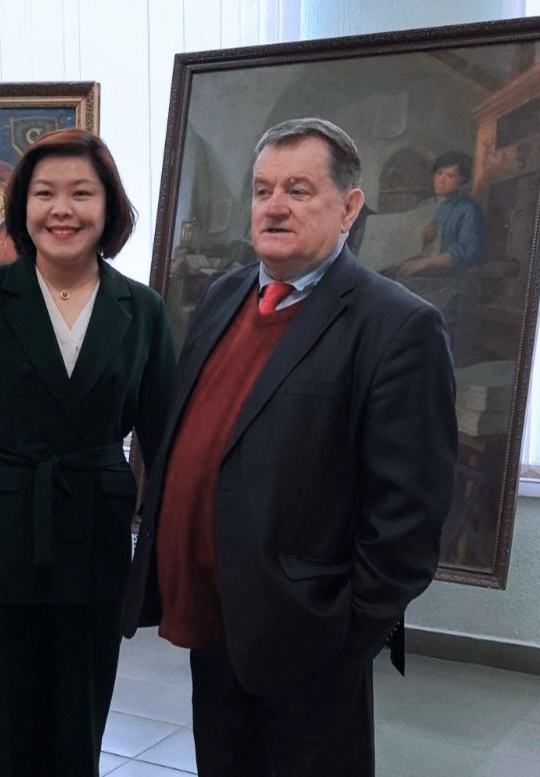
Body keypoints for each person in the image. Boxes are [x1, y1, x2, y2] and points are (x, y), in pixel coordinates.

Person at [123, 118, 458, 776]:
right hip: (213, 623)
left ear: (349, 208)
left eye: (298, 190)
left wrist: (346, 634)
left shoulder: (397, 326)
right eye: (262, 189)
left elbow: (410, 513)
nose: (273, 206)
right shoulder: (223, 296)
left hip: (308, 639)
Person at [0, 128, 176, 777]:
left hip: (95, 536)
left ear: (108, 207)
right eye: (45, 193)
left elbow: (167, 443)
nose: (62, 209)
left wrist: (171, 557)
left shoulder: (141, 308)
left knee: (79, 722)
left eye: (81, 193)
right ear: (22, 206)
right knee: (4, 726)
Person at [393, 150, 485, 278]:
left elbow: (468, 251)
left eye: (450, 176)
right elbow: (409, 243)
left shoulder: (468, 209)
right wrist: (420, 238)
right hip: (418, 271)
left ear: (461, 179)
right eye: (439, 173)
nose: (441, 181)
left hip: (449, 277)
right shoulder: (424, 205)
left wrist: (424, 263)